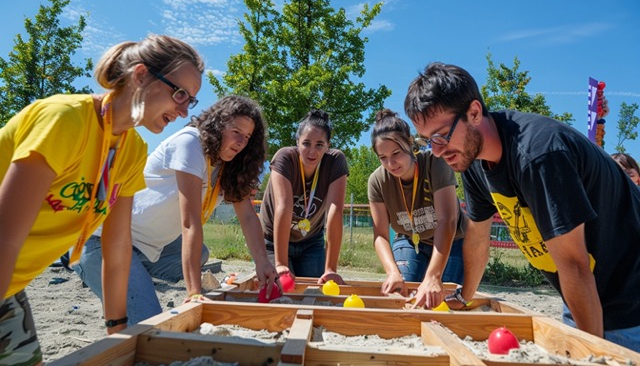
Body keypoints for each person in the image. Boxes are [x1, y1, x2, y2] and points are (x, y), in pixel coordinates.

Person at [404, 61, 640, 351]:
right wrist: (465, 296)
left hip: (630, 298)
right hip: (581, 293)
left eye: (441, 136)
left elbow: (575, 265)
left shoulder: (538, 155)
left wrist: (592, 354)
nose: (437, 152)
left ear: (474, 112)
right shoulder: (473, 162)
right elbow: (478, 237)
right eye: (428, 141)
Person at [0, 34, 204, 365]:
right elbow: (5, 237)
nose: (182, 112)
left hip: (10, 284)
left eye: (190, 101)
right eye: (179, 94)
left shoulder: (132, 150)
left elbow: (118, 246)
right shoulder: (64, 119)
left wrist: (118, 329)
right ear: (140, 76)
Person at [72, 96, 279, 324]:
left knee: (201, 253)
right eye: (236, 132)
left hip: (146, 247)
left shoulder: (230, 165)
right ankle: (107, 275)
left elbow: (248, 216)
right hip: (104, 241)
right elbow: (190, 222)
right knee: (149, 325)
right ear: (219, 124)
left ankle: (134, 278)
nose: (241, 142)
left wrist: (262, 263)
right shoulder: (191, 143)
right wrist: (194, 293)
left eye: (248, 137)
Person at [368, 109, 466, 309]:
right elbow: (380, 235)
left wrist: (433, 276)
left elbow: (447, 220)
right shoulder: (377, 181)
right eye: (383, 157)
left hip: (453, 240)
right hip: (409, 239)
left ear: (410, 143)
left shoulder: (435, 163)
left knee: (441, 304)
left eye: (396, 153)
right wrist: (392, 272)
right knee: (402, 296)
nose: (390, 163)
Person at [260, 110, 349, 285]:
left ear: (328, 145)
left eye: (319, 145)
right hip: (273, 240)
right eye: (306, 143)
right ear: (297, 142)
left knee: (315, 292)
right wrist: (281, 264)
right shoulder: (284, 157)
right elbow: (284, 207)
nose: (312, 152)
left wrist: (330, 269)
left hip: (311, 241)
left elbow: (335, 212)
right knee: (280, 289)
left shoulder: (336, 161)